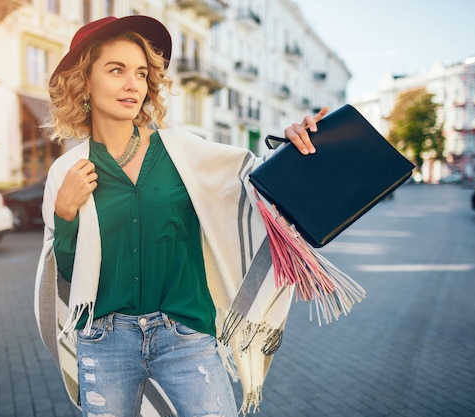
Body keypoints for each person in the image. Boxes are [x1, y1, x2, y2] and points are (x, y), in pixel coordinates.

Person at [33, 15, 327, 416]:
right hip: (104, 342)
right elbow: (69, 275)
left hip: (185, 336)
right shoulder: (67, 171)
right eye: (116, 70)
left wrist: (298, 147)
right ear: (84, 82)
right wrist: (65, 213)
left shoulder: (183, 153)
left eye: (140, 72)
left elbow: (256, 191)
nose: (132, 84)